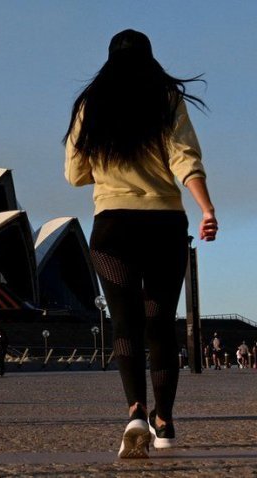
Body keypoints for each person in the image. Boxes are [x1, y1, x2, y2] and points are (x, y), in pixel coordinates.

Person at [64, 29, 218, 458]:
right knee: (161, 325)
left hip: (112, 228)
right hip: (164, 226)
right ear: (151, 59)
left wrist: (112, 167)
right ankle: (164, 420)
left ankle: (135, 411)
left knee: (125, 325)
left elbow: (75, 174)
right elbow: (185, 158)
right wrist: (207, 209)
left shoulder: (90, 105)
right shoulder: (166, 98)